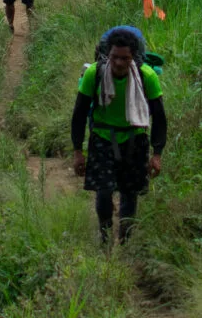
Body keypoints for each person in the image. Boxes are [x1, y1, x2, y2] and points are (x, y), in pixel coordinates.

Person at [72, 24, 167, 247]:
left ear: (133, 57)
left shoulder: (147, 77)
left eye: (124, 58)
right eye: (114, 57)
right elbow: (79, 114)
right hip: (102, 138)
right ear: (108, 55)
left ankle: (125, 240)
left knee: (129, 192)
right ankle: (105, 239)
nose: (118, 63)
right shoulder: (94, 74)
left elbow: (160, 117)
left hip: (135, 140)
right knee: (103, 192)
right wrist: (77, 151)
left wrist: (157, 154)